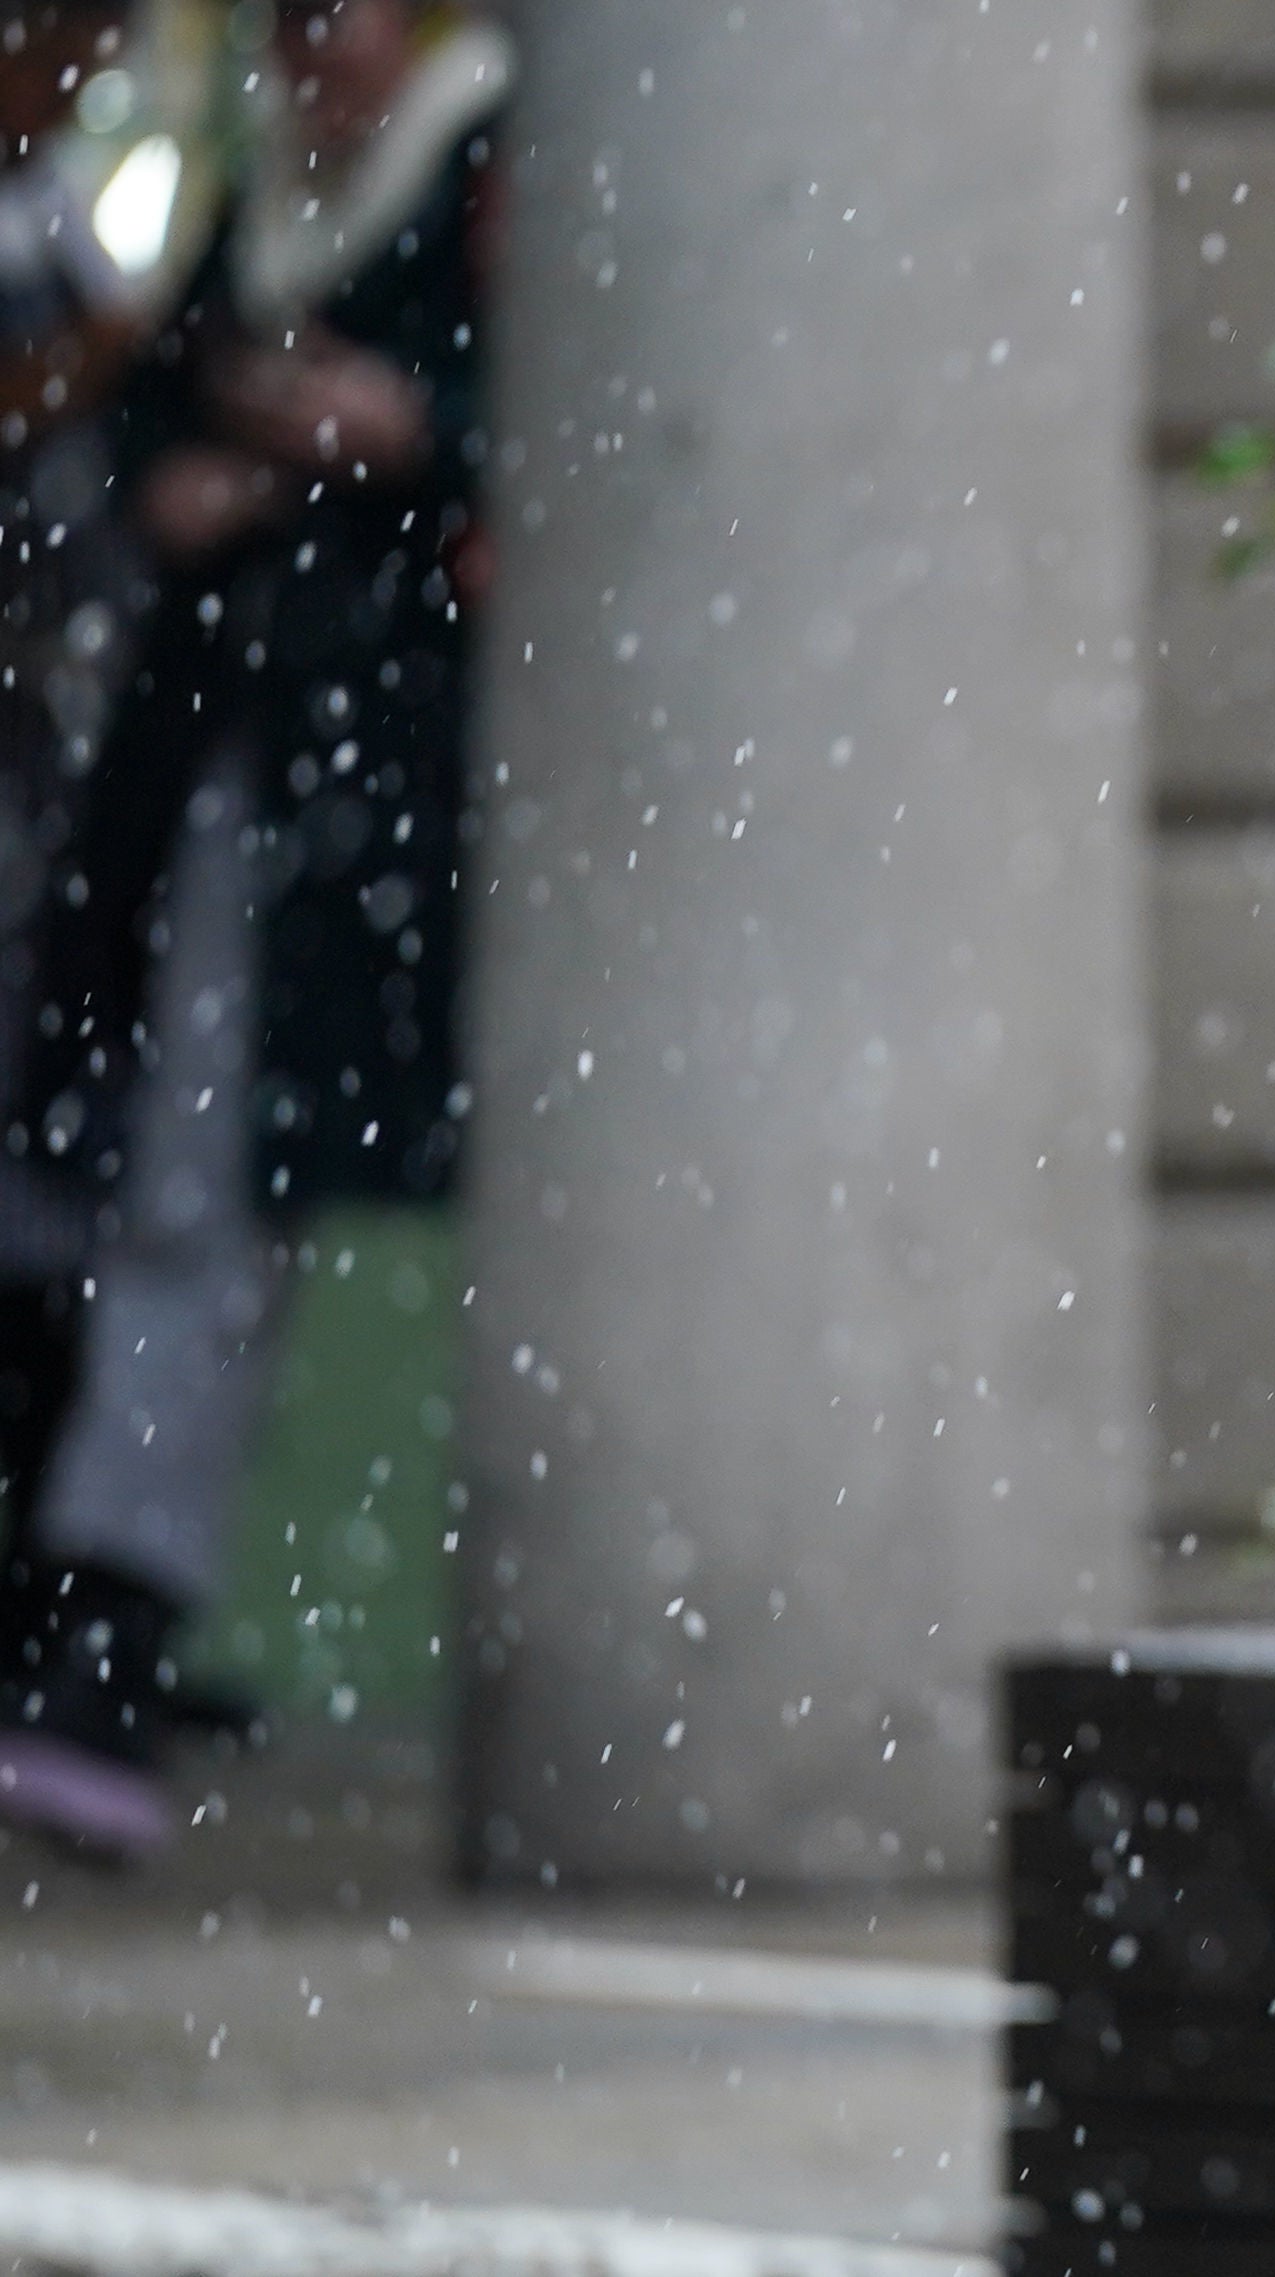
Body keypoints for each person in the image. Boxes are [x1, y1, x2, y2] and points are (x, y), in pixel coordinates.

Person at [0, 0, 504, 1861]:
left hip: (346, 784)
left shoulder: (467, 159)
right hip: (224, 763)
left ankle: (104, 1638)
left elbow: (479, 417)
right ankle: (90, 1624)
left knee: (197, 1193)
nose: (321, 54)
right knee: (135, 1168)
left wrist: (385, 438)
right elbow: (162, 409)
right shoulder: (275, 194)